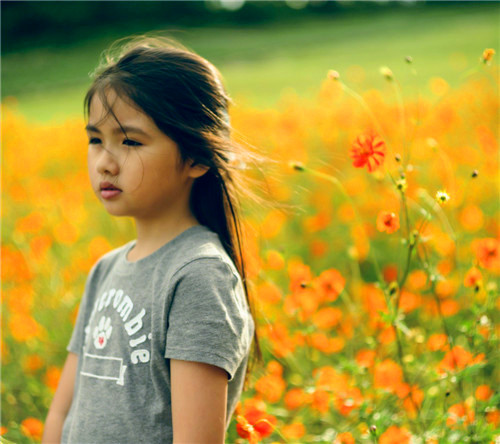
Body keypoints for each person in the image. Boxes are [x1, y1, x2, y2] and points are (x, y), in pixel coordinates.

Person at [42, 34, 286, 444]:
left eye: (130, 141)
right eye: (95, 140)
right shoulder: (106, 270)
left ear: (196, 157)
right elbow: (63, 412)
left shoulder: (199, 277)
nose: (105, 162)